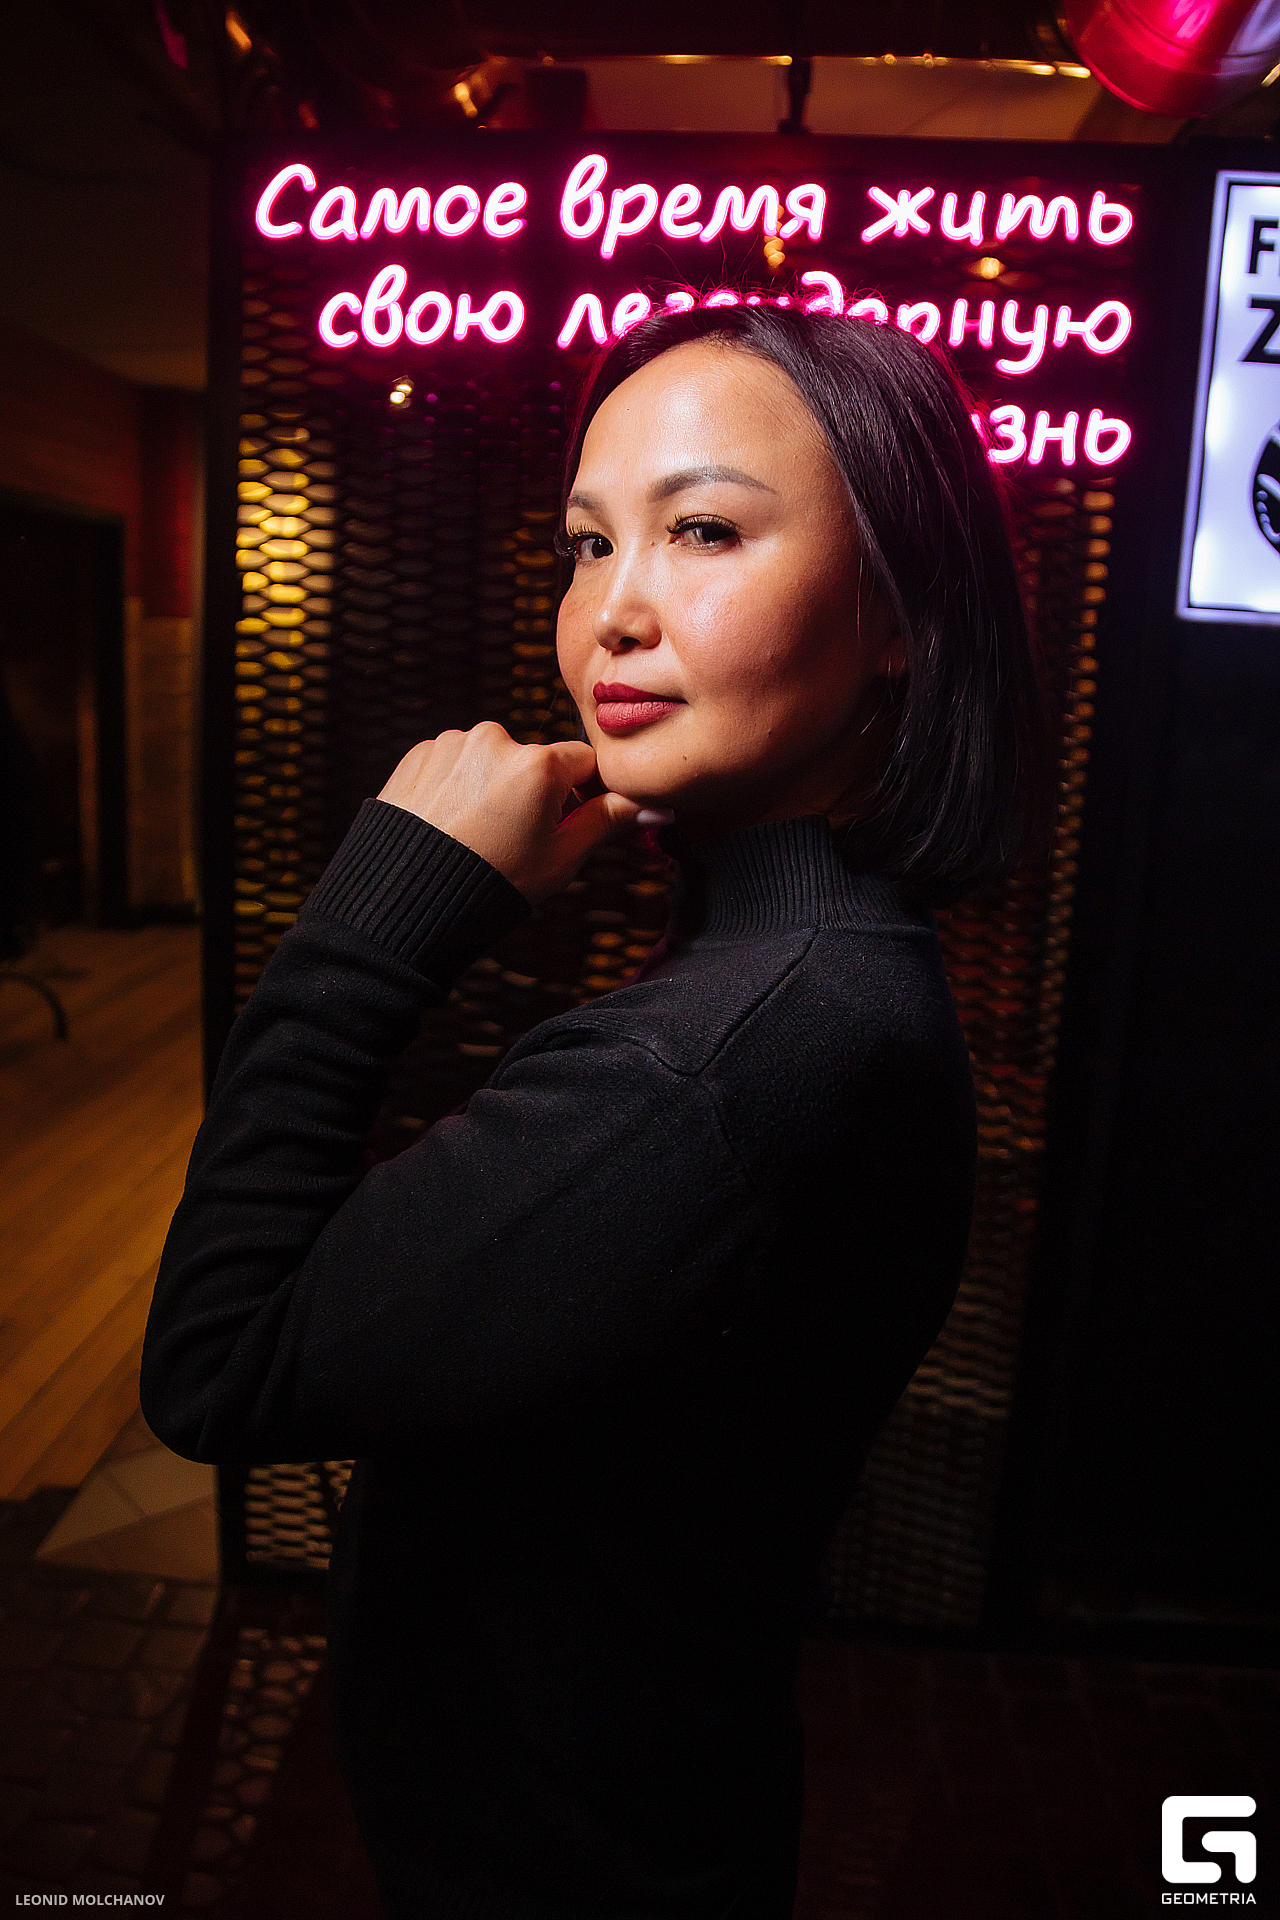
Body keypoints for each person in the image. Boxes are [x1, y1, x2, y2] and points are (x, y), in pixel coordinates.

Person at [140, 301, 1050, 1920]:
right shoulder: (822, 977)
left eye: (704, 531)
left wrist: (376, 918)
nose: (612, 612)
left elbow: (217, 1360)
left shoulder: (727, 1055)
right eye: (586, 544)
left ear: (900, 611)